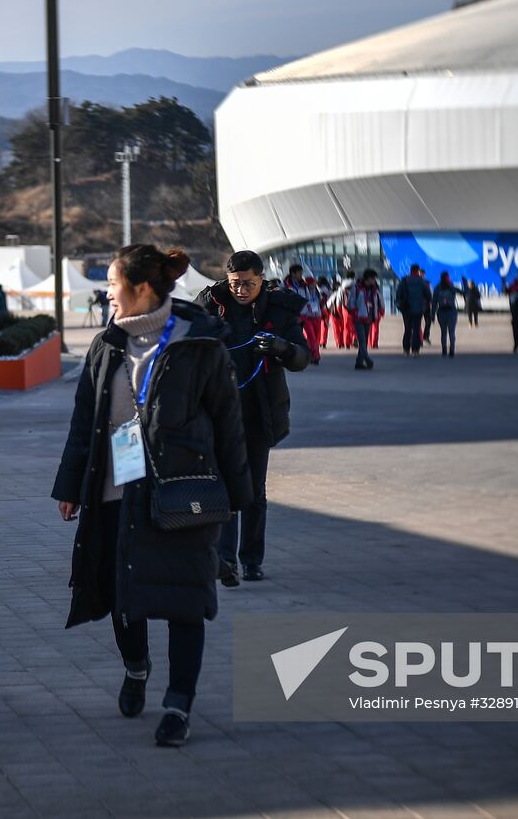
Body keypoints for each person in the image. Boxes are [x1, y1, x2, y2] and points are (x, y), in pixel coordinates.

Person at [54, 244, 251, 748]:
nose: (107, 294)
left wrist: (237, 497)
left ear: (141, 288)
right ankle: (136, 668)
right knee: (124, 597)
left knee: (185, 601)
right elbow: (85, 421)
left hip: (182, 492)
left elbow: (229, 422)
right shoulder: (106, 344)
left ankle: (178, 705)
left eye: (112, 284)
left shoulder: (199, 343)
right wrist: (70, 486)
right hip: (115, 487)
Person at [195, 250, 310, 585]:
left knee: (255, 491)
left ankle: (252, 559)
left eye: (248, 283)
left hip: (261, 413)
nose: (240, 290)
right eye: (235, 283)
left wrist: (281, 347)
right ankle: (225, 559)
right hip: (219, 413)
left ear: (261, 279)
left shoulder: (280, 308)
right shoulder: (211, 304)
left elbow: (302, 358)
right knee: (225, 486)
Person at [348, 268, 383, 370]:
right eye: (373, 278)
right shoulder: (357, 288)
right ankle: (367, 359)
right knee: (362, 341)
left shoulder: (374, 289)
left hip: (369, 317)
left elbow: (376, 302)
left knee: (365, 341)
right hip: (359, 318)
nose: (374, 280)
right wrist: (355, 312)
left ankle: (359, 362)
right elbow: (350, 302)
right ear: (368, 278)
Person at [395, 264, 426, 355]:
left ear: (411, 270)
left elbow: (398, 293)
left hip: (406, 309)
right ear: (418, 270)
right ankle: (415, 349)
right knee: (416, 329)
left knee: (407, 329)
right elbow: (427, 294)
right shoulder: (421, 281)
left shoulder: (404, 280)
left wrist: (399, 304)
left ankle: (406, 349)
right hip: (418, 308)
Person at [432, 271, 462, 356]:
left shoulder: (437, 288)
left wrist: (432, 314)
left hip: (441, 311)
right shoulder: (451, 287)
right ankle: (452, 349)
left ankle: (444, 349)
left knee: (443, 332)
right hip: (451, 311)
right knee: (452, 332)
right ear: (448, 277)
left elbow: (434, 302)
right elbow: (462, 292)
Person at [298, 276, 325, 366]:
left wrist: (323, 301)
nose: (314, 285)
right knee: (311, 337)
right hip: (307, 317)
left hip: (317, 316)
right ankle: (315, 356)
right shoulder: (304, 292)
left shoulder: (317, 292)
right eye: (312, 283)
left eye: (314, 283)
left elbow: (320, 303)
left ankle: (313, 355)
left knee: (317, 338)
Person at [316, 277, 333, 348]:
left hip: (317, 308)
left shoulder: (317, 288)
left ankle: (318, 341)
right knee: (325, 326)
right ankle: (323, 342)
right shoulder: (329, 289)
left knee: (318, 326)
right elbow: (331, 299)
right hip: (326, 308)